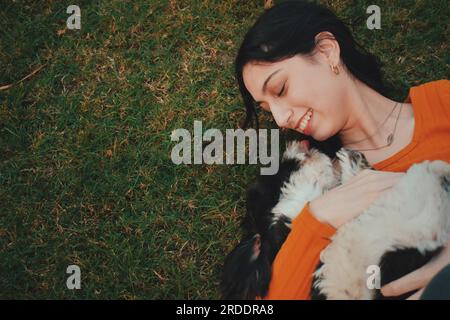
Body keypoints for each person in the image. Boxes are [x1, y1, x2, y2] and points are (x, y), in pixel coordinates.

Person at [234, 0, 450, 299]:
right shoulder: (303, 186)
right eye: (268, 109)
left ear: (326, 51)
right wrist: (317, 219)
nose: (282, 119)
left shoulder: (443, 104)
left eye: (280, 89)